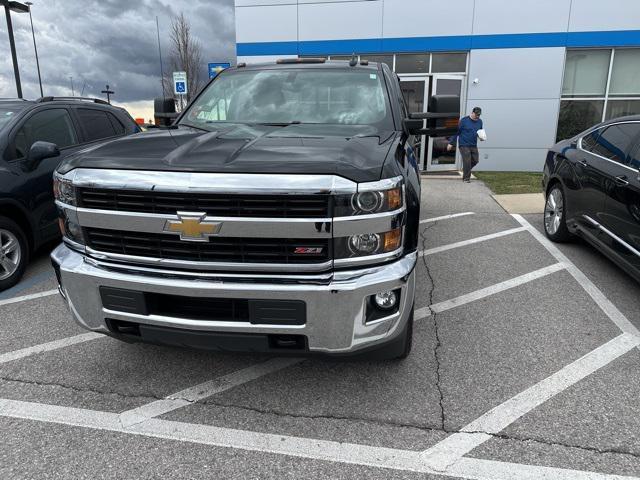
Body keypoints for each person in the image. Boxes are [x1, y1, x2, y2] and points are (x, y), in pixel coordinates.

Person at [447, 107, 483, 183]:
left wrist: (481, 137)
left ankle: (466, 169)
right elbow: (457, 132)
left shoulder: (480, 122)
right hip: (464, 144)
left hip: (473, 144)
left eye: (479, 115)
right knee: (467, 160)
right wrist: (451, 143)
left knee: (475, 160)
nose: (477, 116)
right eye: (476, 115)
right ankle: (466, 178)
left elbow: (480, 131)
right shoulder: (464, 121)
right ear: (472, 113)